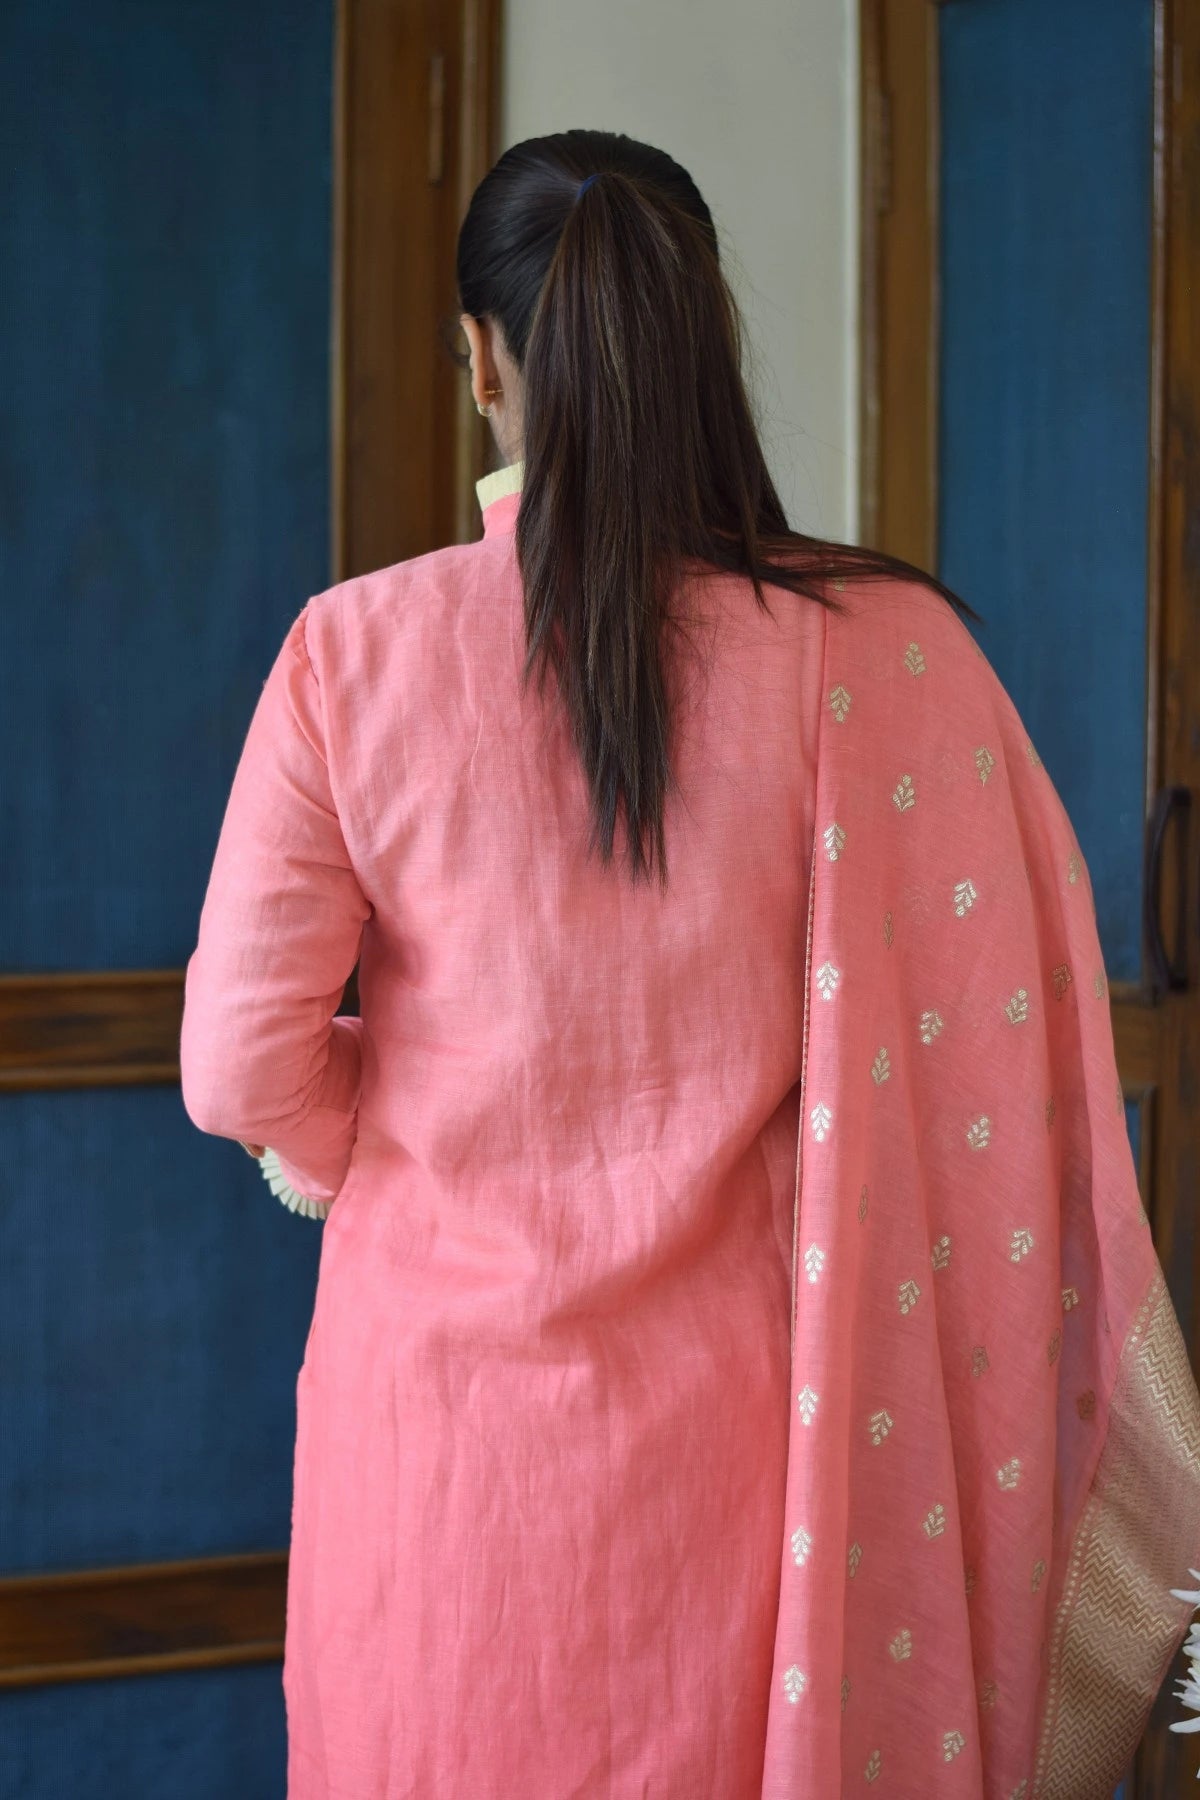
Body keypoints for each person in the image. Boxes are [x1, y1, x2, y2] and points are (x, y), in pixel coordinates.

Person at [179, 129, 1200, 1799]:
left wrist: (361, 1130)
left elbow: (236, 1069)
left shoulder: (349, 657)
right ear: (700, 338)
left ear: (481, 362)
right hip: (760, 1479)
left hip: (440, 1474)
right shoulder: (880, 658)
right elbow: (999, 1074)